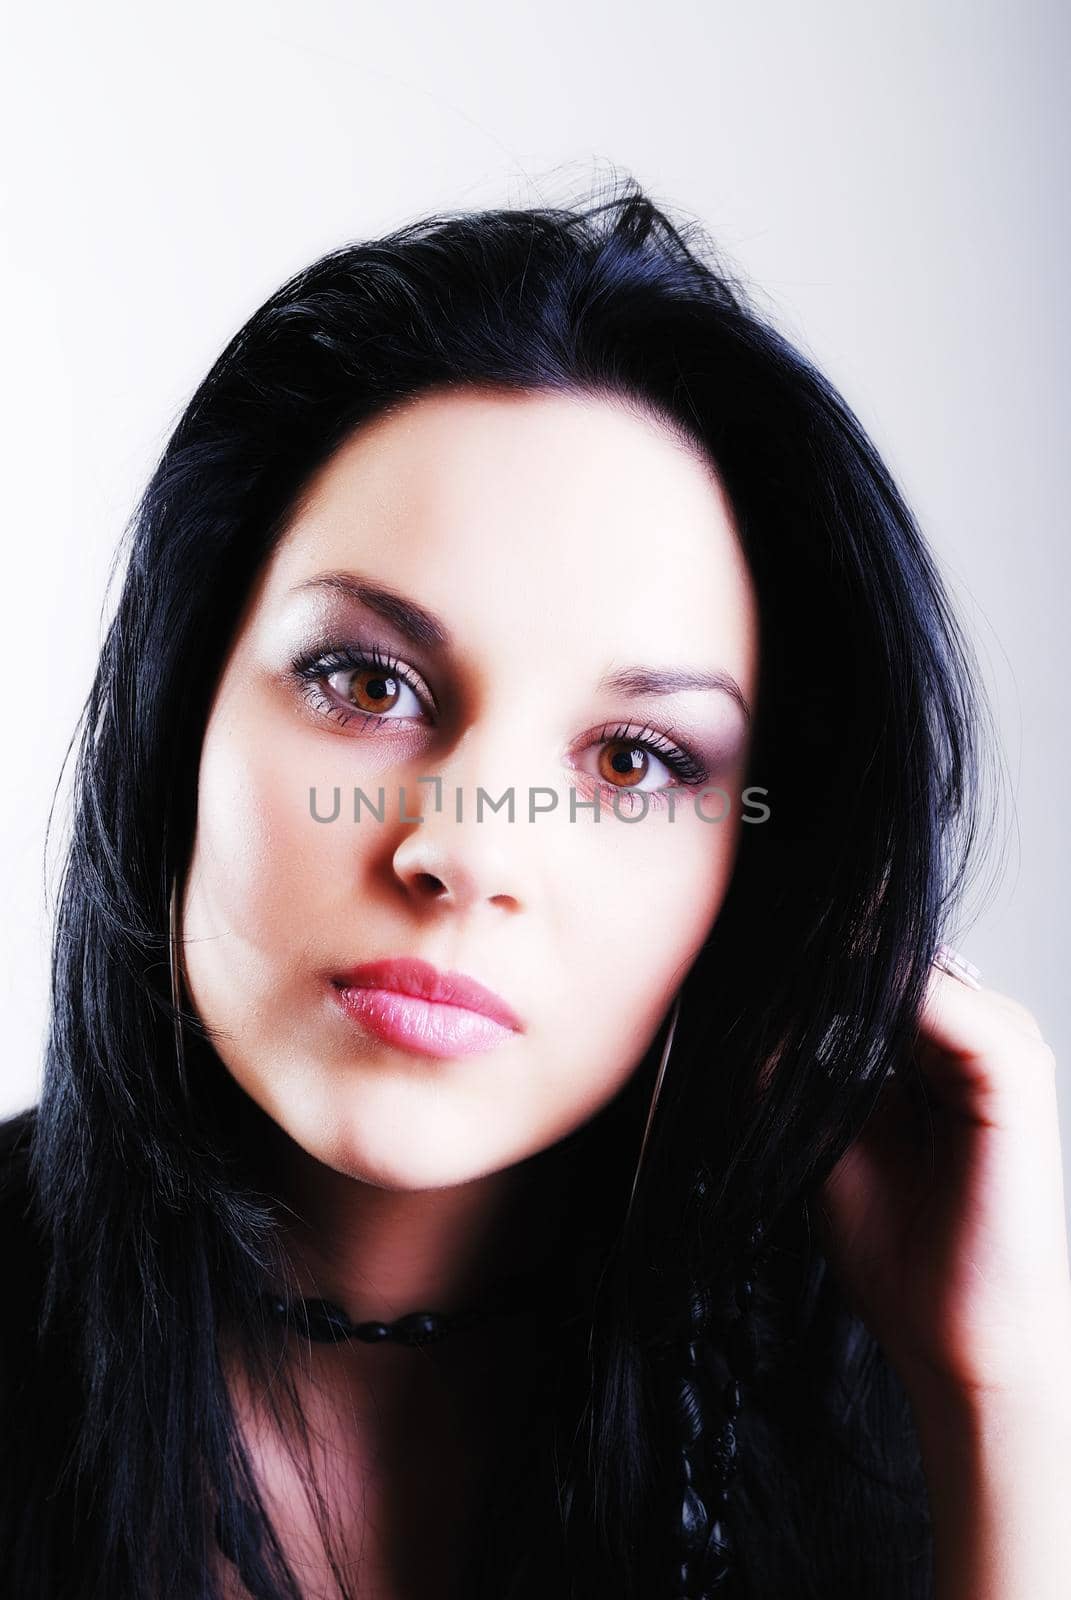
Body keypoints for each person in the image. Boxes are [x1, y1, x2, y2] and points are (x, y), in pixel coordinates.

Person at [1, 176, 1068, 1600]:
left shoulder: (859, 1435)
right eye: (367, 681)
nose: (468, 851)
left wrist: (995, 1409)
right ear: (182, 707)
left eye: (634, 759)